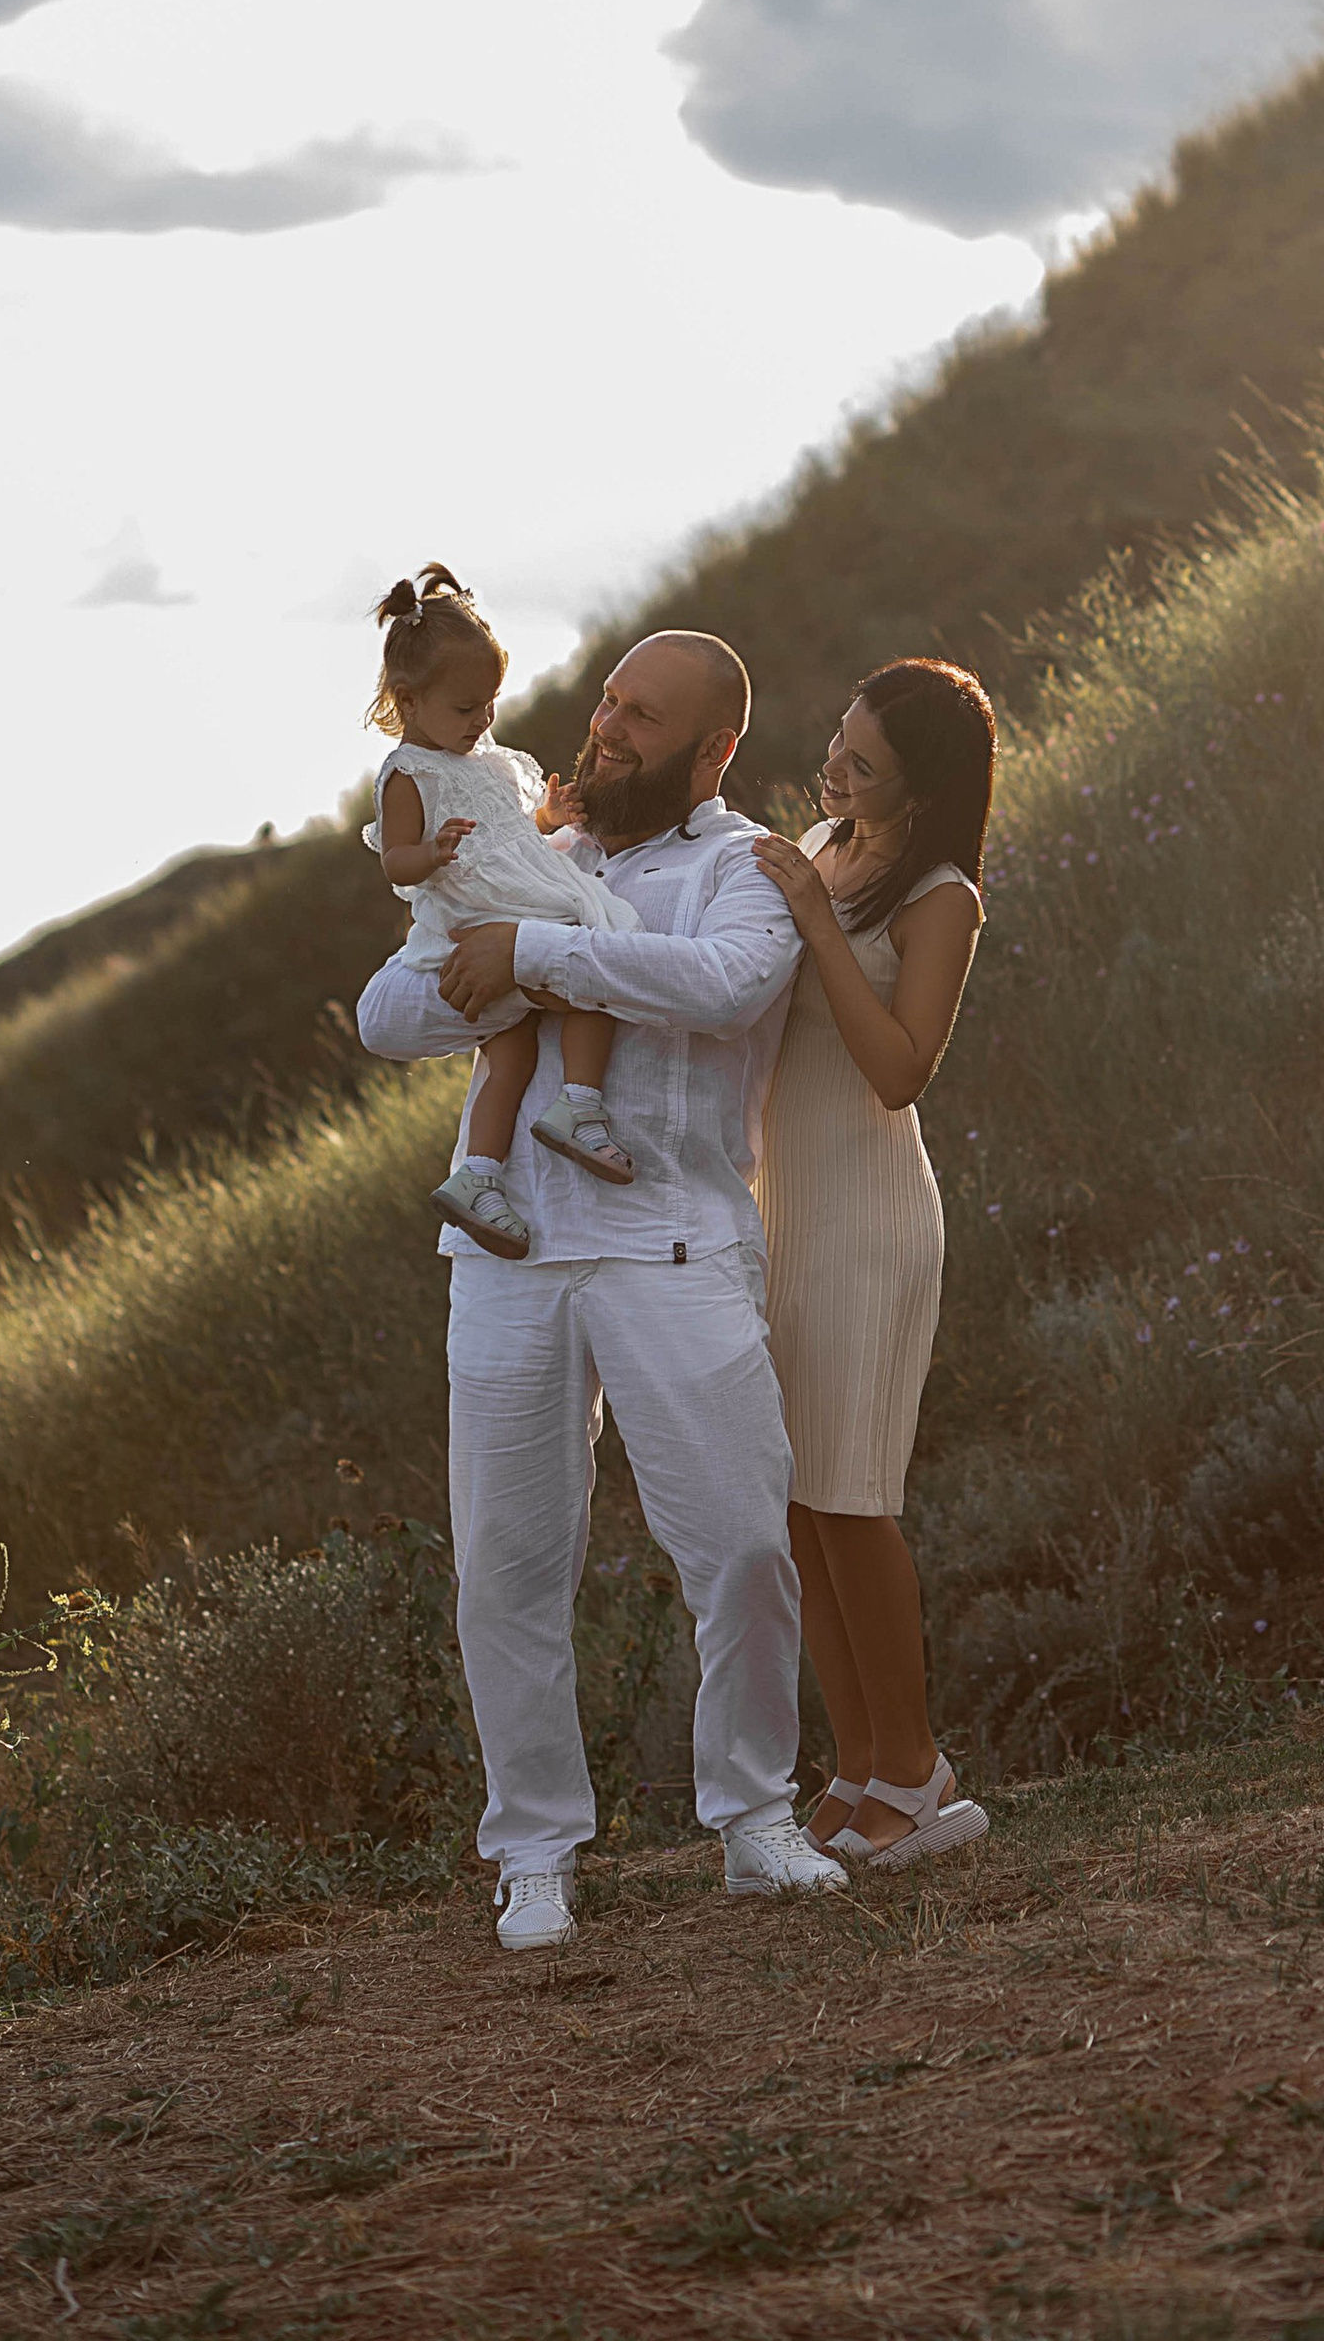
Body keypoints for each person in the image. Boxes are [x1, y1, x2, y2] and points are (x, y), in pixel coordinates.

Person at [354, 626, 848, 1944]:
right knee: (508, 1570)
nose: (609, 730)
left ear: (714, 748)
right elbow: (386, 1016)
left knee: (741, 1546)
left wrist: (533, 958)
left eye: (645, 717)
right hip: (507, 1257)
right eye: (610, 703)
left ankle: (754, 1821)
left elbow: (728, 989)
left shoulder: (747, 869)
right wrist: (501, 955)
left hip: (674, 1242)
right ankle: (534, 1855)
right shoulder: (523, 853)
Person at [748, 659, 994, 1871]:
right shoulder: (820, 848)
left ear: (922, 789)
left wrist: (806, 915)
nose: (834, 774)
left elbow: (899, 1069)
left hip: (871, 1219)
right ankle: (854, 1763)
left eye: (862, 767)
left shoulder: (939, 894)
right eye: (835, 745)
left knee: (855, 1500)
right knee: (799, 1509)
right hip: (786, 1215)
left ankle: (918, 1771)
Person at [362, 566, 642, 1258]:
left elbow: (512, 831)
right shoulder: (409, 774)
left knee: (510, 1050)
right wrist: (431, 852)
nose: (482, 720)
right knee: (588, 970)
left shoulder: (483, 761)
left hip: (505, 896)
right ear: (409, 700)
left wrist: (545, 816)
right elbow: (393, 861)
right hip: (471, 912)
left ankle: (478, 1176)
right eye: (464, 709)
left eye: (488, 702)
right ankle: (579, 1103)